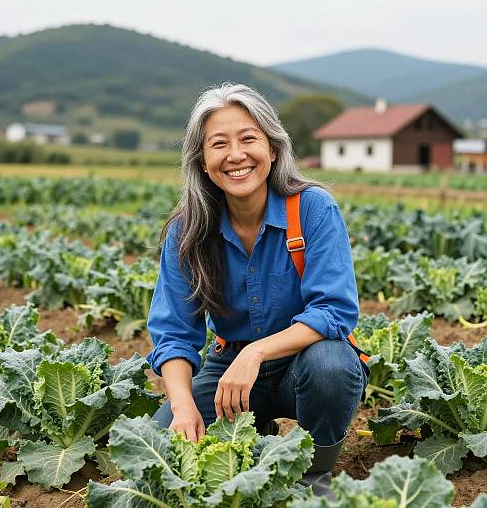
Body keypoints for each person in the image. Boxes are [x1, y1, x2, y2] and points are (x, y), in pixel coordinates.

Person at [147, 83, 368, 498]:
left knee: (331, 366)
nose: (236, 155)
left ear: (273, 148)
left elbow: (334, 312)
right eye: (219, 144)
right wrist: (182, 407)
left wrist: (256, 350)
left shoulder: (313, 208)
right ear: (202, 161)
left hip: (306, 362)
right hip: (230, 373)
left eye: (248, 138)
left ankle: (314, 479)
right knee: (164, 445)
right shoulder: (188, 231)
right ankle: (255, 426)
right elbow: (174, 333)